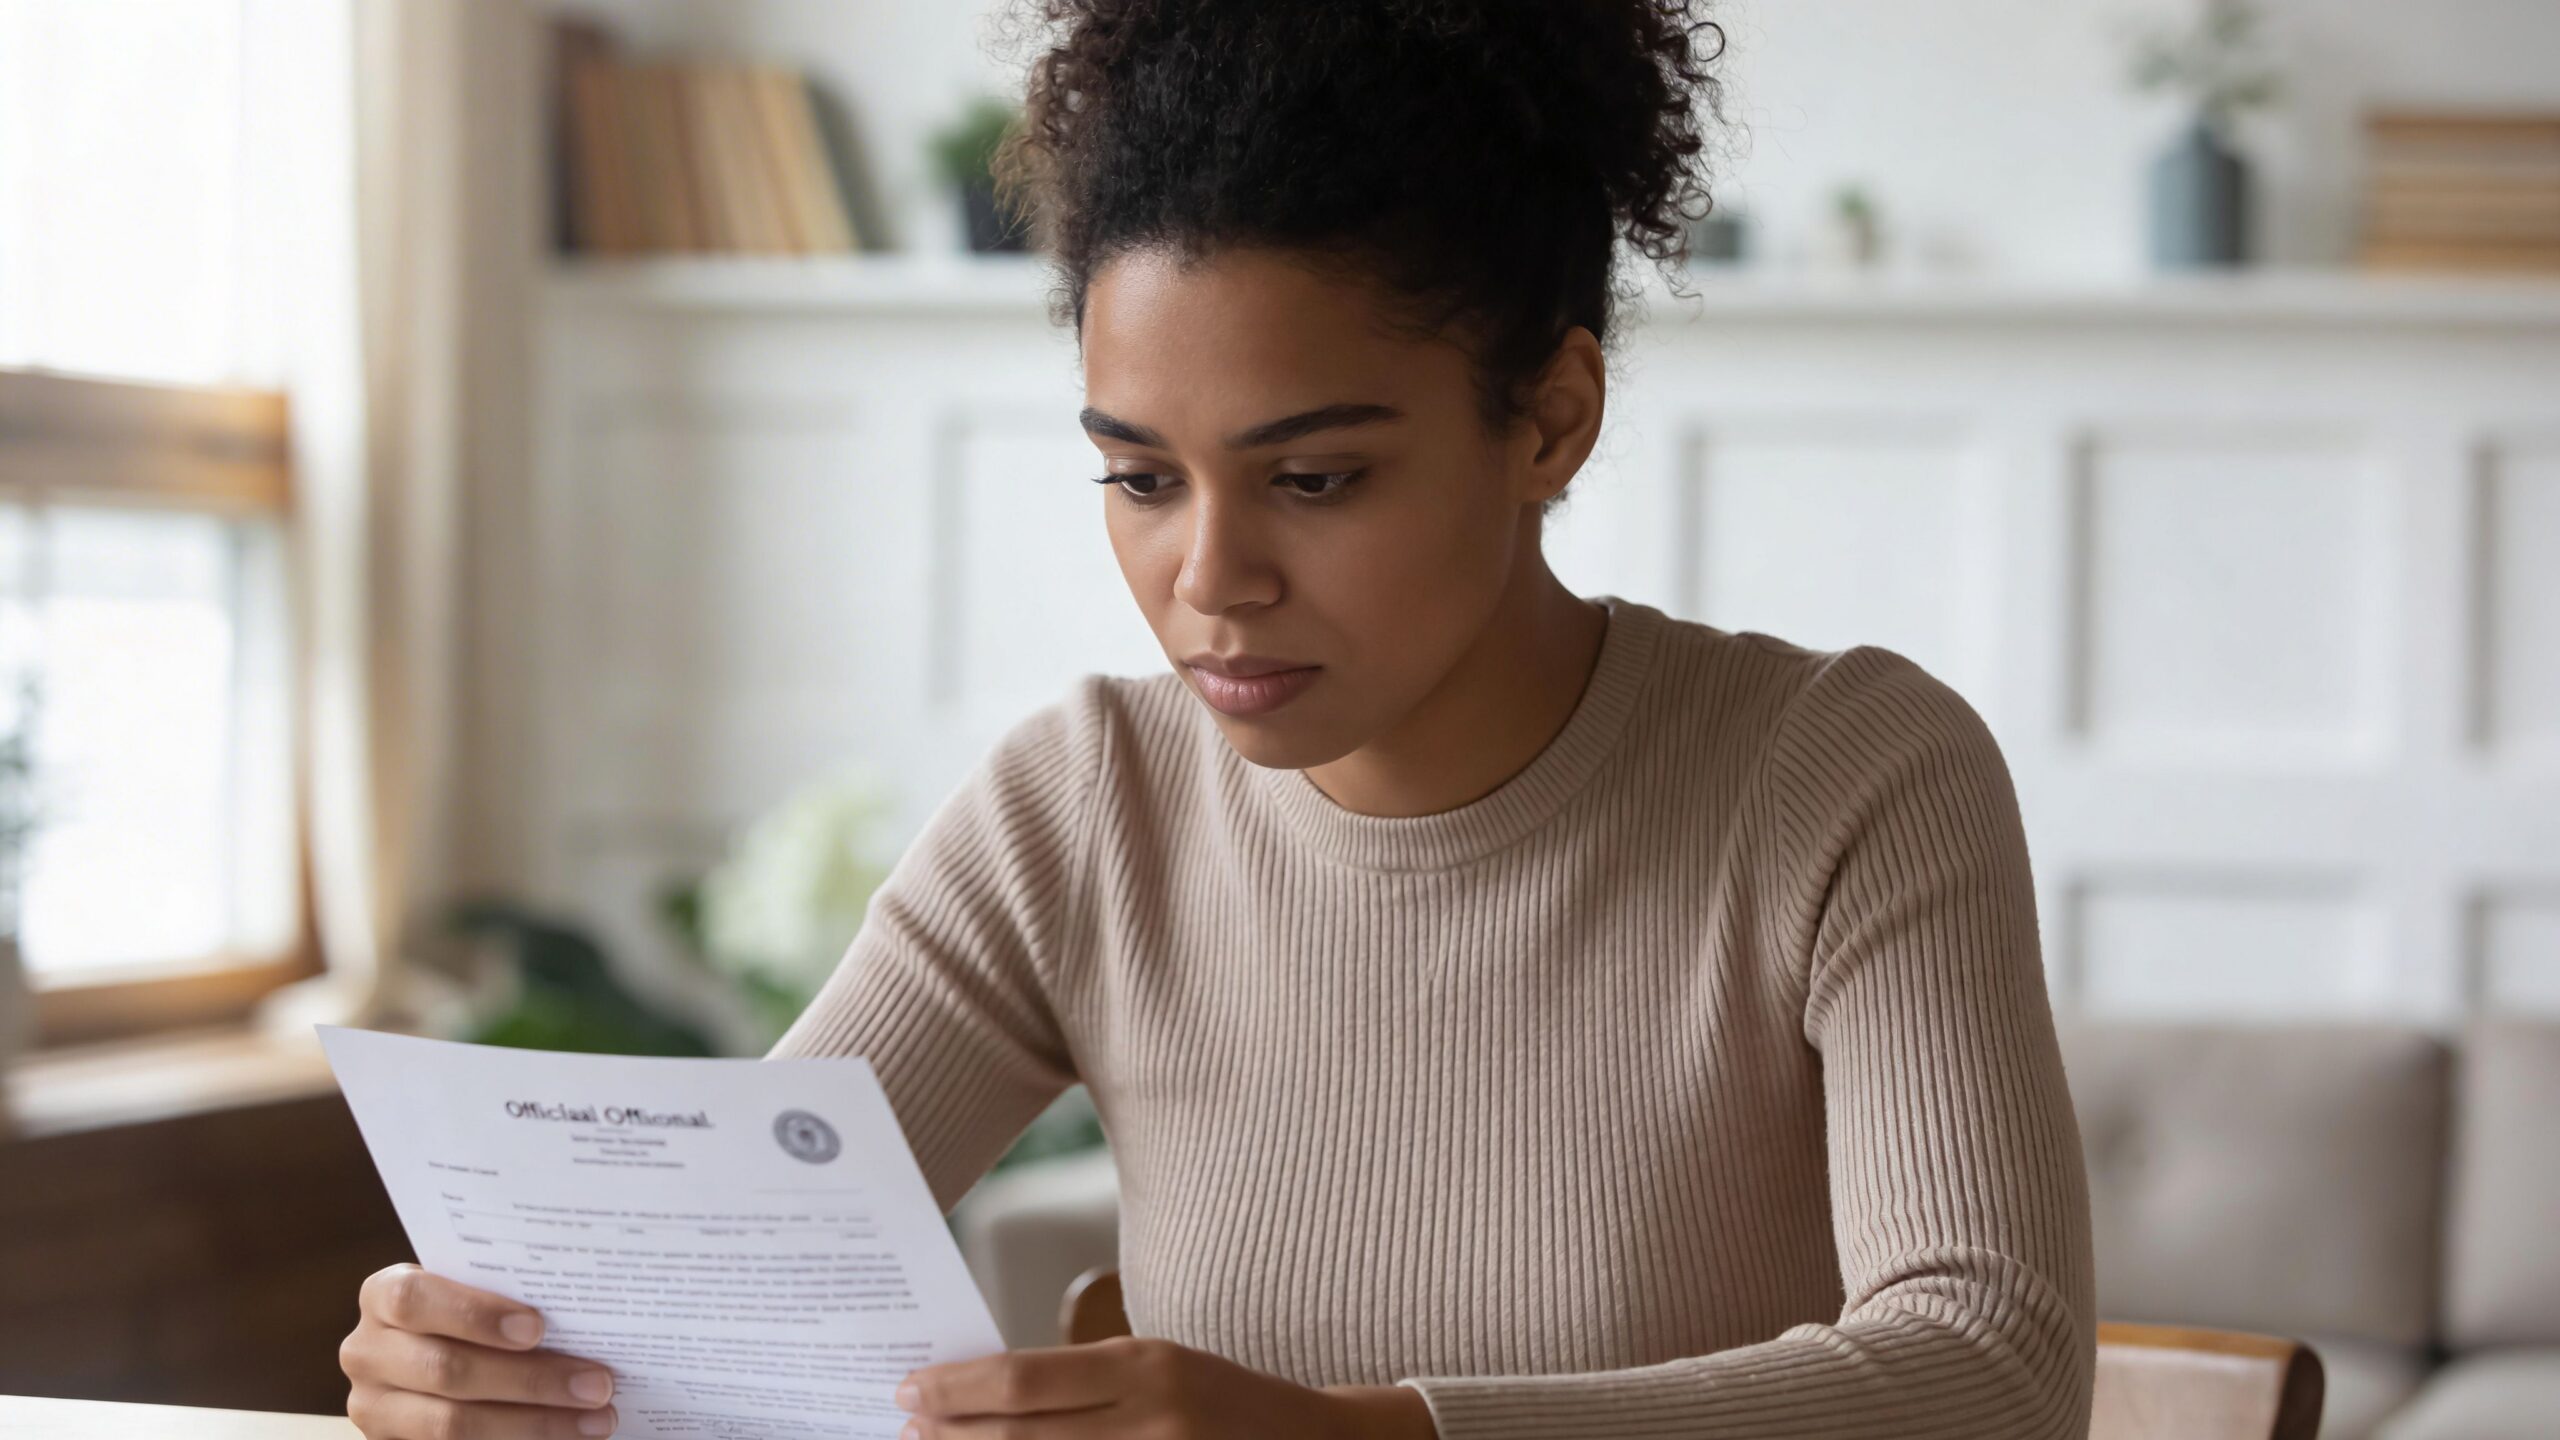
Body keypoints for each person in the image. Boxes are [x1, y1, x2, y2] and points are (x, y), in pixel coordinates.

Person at [338, 1, 2099, 1436]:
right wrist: (509, 1372)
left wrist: (1363, 1439)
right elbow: (725, 1297)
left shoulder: (1851, 776)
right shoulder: (1083, 804)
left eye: (1316, 476)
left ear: (1552, 421)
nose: (1211, 576)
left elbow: (1993, 1367)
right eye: (1139, 478)